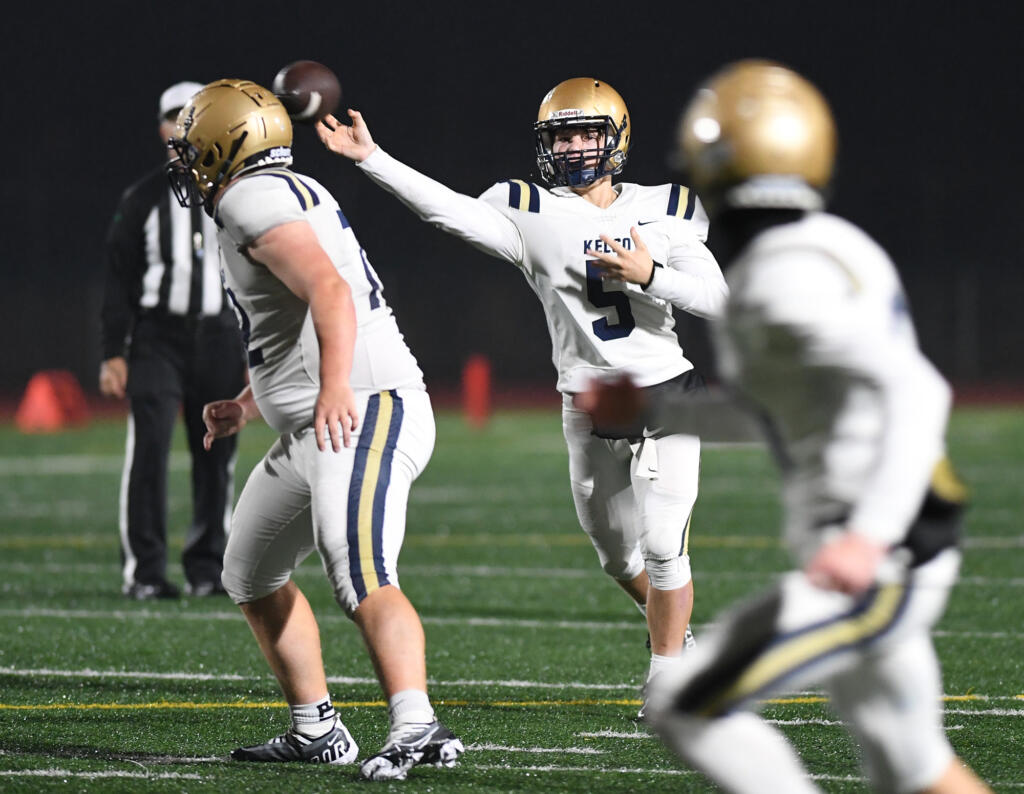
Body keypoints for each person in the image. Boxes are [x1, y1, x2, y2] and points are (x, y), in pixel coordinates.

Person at [583, 60, 991, 793]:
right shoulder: (833, 248)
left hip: (879, 552)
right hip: (897, 539)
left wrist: (868, 535)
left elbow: (917, 392)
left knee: (685, 703)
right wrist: (659, 412)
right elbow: (783, 413)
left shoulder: (780, 275)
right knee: (916, 767)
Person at [317, 78, 727, 702]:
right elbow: (444, 209)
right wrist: (373, 159)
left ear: (616, 138)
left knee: (665, 544)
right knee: (619, 560)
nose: (575, 146)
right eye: (563, 134)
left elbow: (722, 302)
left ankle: (668, 674)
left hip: (666, 392)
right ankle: (676, 634)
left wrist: (652, 274)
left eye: (588, 132)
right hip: (587, 404)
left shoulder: (664, 208)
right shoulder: (527, 211)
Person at [165, 78, 463, 780]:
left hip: (363, 403)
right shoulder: (280, 192)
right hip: (320, 417)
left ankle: (416, 723)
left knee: (359, 569)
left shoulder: (245, 198)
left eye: (192, 141)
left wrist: (332, 389)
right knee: (249, 571)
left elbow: (330, 293)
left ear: (223, 142)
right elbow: (289, 324)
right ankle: (316, 730)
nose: (184, 155)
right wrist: (248, 402)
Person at [99, 81, 246, 600]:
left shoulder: (239, 196)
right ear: (161, 128)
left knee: (216, 454)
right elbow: (118, 280)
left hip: (220, 338)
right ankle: (144, 570)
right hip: (158, 338)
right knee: (150, 452)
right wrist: (113, 352)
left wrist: (256, 346)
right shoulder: (141, 199)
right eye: (172, 118)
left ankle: (207, 568)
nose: (179, 129)